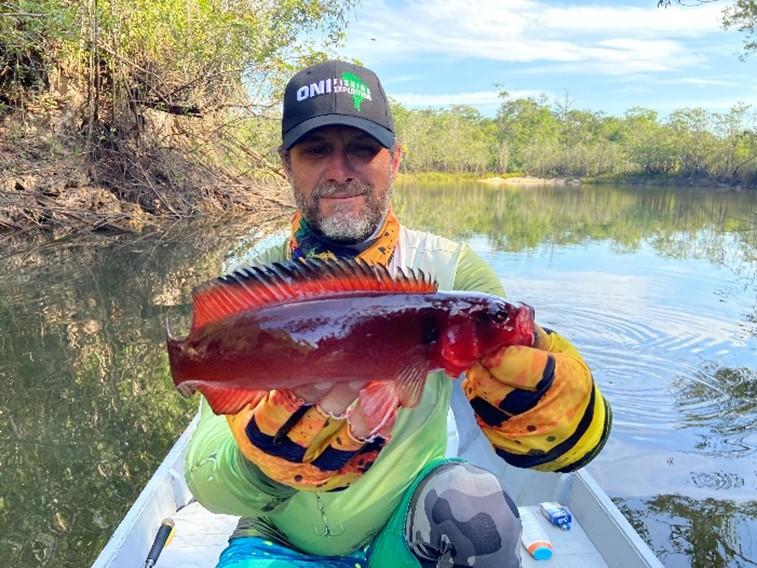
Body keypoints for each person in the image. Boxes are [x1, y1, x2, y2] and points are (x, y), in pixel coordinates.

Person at [184, 60, 612, 568]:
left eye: (362, 149)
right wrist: (263, 467)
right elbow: (206, 478)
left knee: (479, 511)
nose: (340, 171)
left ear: (396, 159)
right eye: (316, 150)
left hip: (408, 526)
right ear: (287, 164)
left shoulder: (452, 271)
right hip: (277, 536)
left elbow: (533, 402)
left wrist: (560, 415)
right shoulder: (253, 287)